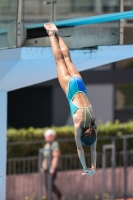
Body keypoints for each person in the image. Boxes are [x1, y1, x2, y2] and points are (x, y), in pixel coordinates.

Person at [44, 22, 97, 176]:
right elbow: (80, 149)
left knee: (68, 59)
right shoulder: (78, 126)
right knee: (59, 60)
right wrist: (85, 168)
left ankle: (57, 33)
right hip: (70, 87)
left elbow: (93, 147)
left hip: (79, 83)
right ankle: (50, 33)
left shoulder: (94, 124)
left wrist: (93, 166)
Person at [42, 129, 62, 200]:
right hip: (46, 168)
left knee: (50, 183)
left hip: (52, 168)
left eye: (50, 136)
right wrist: (43, 167)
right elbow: (45, 158)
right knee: (47, 184)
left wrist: (52, 168)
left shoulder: (55, 144)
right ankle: (53, 197)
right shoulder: (46, 146)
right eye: (47, 136)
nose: (48, 138)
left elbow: (56, 157)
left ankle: (58, 196)